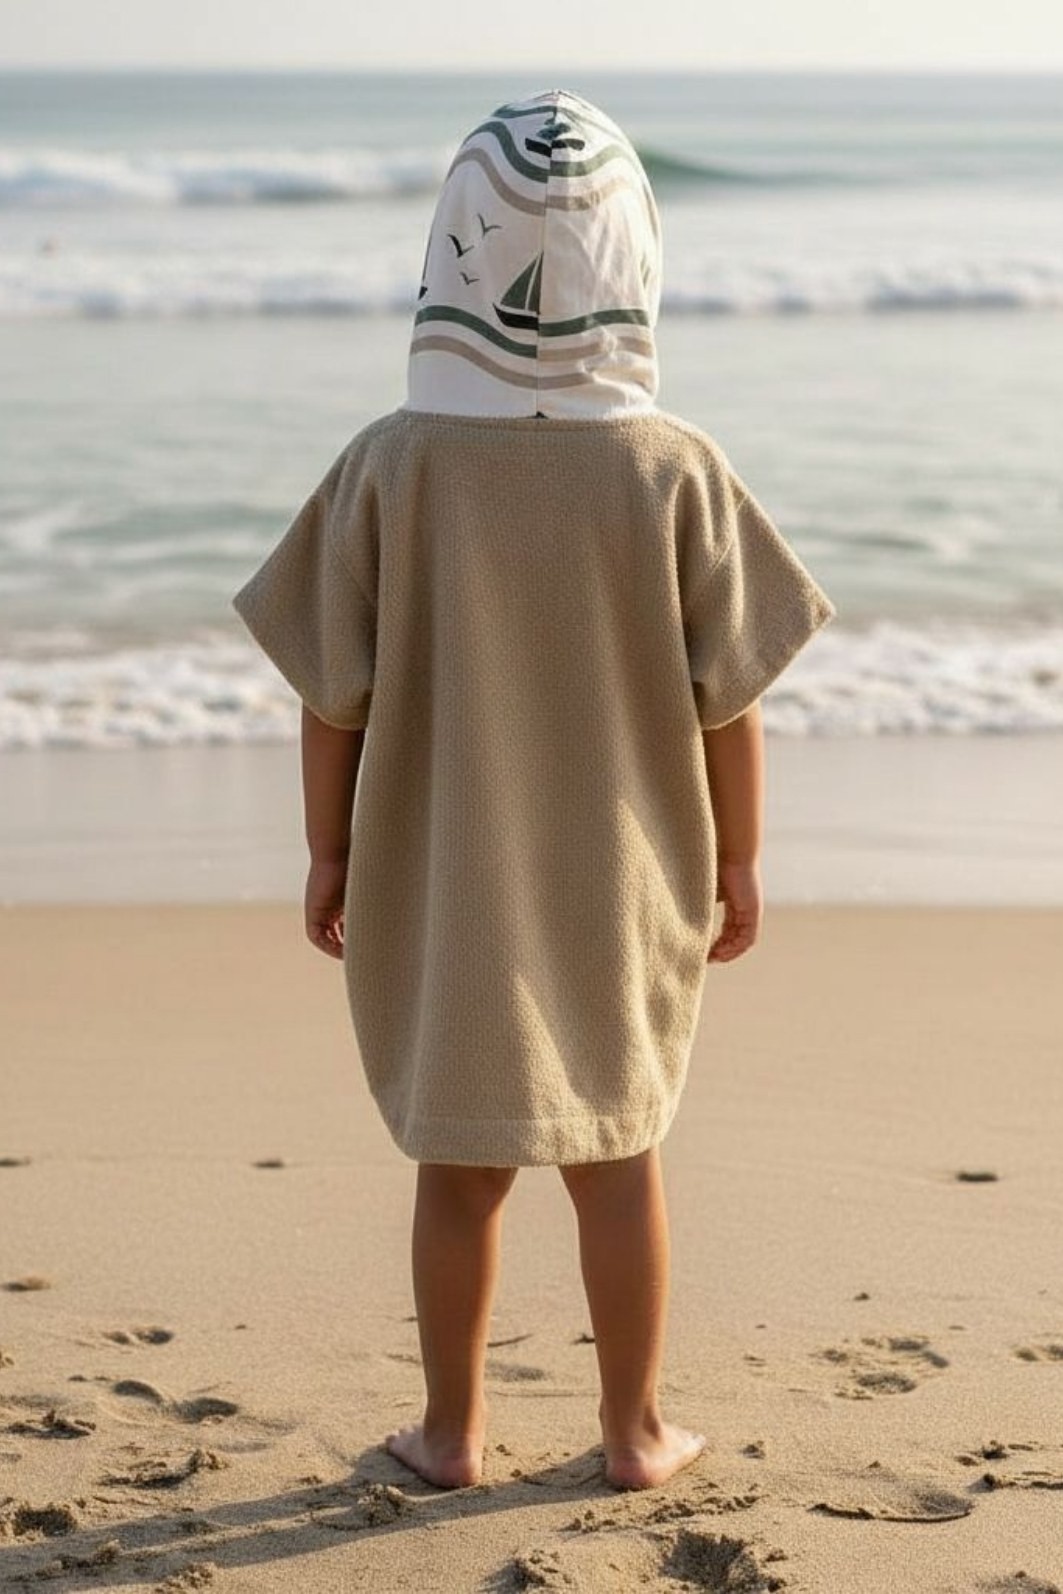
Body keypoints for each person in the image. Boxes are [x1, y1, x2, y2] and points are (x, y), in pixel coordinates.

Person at [232, 88, 837, 1494]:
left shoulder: (392, 464)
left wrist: (327, 851)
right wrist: (741, 859)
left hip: (443, 875)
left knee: (460, 1169)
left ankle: (452, 1431)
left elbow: (330, 691)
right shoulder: (673, 470)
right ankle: (634, 1432)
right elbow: (730, 696)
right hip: (622, 878)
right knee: (620, 1155)